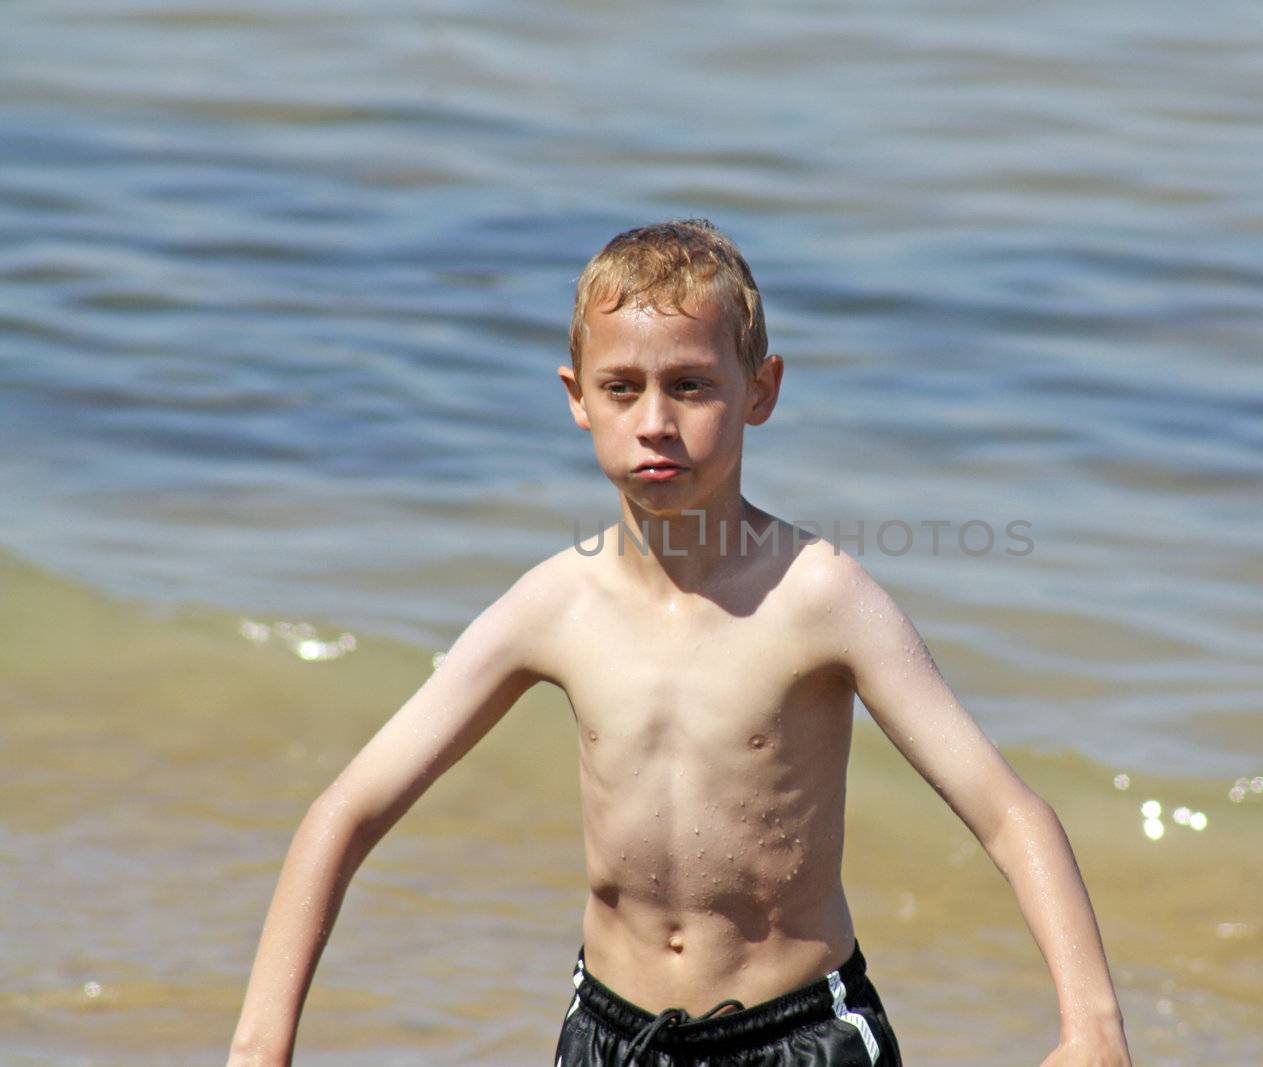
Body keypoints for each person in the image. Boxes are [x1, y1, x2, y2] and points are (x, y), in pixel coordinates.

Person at [225, 219, 1131, 1067]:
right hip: (609, 1032)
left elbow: (1009, 814)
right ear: (578, 399)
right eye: (622, 388)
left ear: (760, 391)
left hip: (800, 1033)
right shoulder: (555, 606)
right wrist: (259, 1044)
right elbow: (347, 812)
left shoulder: (820, 596)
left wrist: (1090, 1022)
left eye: (690, 385)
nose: (654, 421)